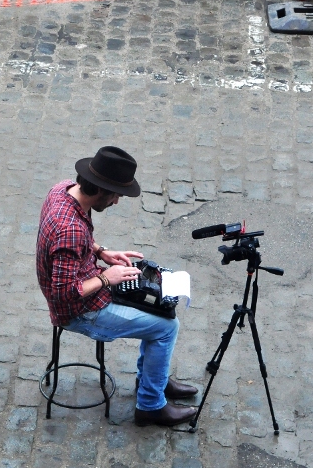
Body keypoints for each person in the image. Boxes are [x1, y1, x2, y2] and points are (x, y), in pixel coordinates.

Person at [36, 145, 197, 427]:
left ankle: (153, 378)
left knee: (161, 307)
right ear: (100, 190)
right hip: (79, 310)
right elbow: (62, 294)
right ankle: (150, 405)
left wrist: (100, 253)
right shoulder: (70, 230)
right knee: (166, 328)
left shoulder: (62, 190)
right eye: (116, 195)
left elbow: (72, 243)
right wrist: (105, 278)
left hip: (90, 281)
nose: (117, 202)